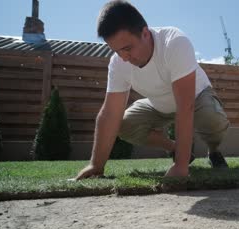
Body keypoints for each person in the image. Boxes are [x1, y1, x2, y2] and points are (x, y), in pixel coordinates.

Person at [75, 0, 229, 180]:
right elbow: (110, 114)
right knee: (123, 125)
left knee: (213, 119)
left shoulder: (175, 43)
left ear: (145, 33)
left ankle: (213, 151)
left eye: (127, 48)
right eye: (117, 51)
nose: (124, 58)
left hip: (196, 99)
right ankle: (173, 147)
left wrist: (180, 166)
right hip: (159, 104)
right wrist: (96, 165)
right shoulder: (118, 63)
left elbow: (184, 107)